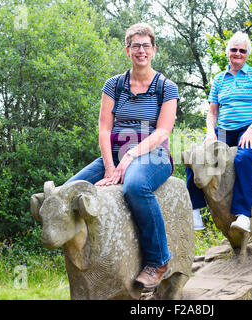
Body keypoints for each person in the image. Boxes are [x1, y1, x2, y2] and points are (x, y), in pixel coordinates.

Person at [66, 23, 179, 290]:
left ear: (154, 50)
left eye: (146, 45)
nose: (141, 51)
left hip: (154, 154)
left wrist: (130, 158)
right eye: (135, 46)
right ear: (127, 49)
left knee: (135, 186)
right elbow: (104, 128)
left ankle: (158, 261)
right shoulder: (114, 85)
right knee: (68, 192)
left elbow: (163, 131)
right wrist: (109, 165)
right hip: (115, 152)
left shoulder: (167, 87)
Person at [187, 31, 252, 233]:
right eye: (234, 50)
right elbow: (212, 112)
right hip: (223, 130)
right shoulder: (219, 79)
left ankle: (243, 216)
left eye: (242, 51)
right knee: (194, 155)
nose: (238, 53)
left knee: (244, 158)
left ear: (247, 54)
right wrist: (210, 133)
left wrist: (251, 130)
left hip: (249, 128)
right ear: (228, 52)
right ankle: (195, 209)